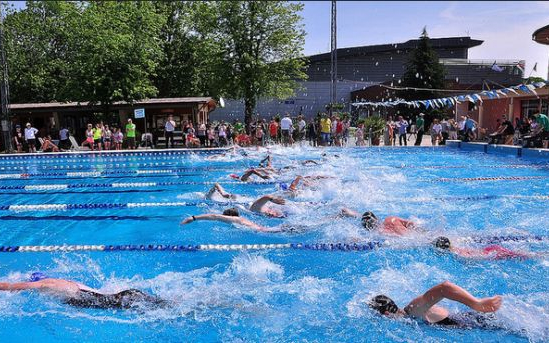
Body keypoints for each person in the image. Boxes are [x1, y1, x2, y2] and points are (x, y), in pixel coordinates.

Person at [369, 281, 502, 328]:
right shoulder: (411, 314)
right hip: (477, 322)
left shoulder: (413, 309)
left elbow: (445, 287)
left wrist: (477, 304)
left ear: (386, 314)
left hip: (482, 323)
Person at [0, 273, 166, 310]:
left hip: (124, 300)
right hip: (125, 296)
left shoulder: (47, 284)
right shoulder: (67, 282)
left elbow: (9, 287)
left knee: (169, 310)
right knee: (167, 306)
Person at [206, 183, 286, 218]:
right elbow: (266, 197)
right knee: (211, 196)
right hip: (228, 200)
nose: (272, 214)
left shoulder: (262, 211)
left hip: (237, 200)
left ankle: (223, 194)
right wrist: (273, 199)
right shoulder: (256, 210)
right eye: (274, 214)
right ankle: (223, 193)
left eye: (272, 216)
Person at [181, 208, 283, 233]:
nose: (223, 218)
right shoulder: (241, 219)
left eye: (224, 216)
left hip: (268, 231)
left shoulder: (235, 219)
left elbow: (214, 216)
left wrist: (193, 218)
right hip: (268, 229)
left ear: (229, 215)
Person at [433, 237, 532, 260]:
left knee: (522, 255)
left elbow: (472, 259)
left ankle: (539, 255)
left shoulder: (457, 254)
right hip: (489, 248)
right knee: (518, 253)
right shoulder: (456, 248)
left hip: (492, 252)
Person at [339, 209, 417, 236]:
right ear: (376, 218)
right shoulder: (391, 219)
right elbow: (412, 224)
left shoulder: (379, 232)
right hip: (413, 238)